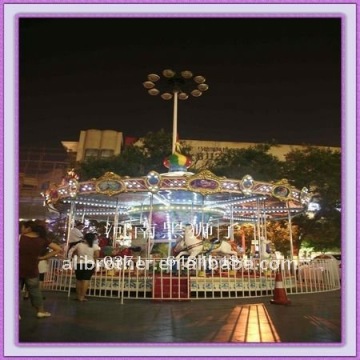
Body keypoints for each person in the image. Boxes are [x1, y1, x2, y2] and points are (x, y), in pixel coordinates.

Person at [19, 220, 62, 318]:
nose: (21, 229)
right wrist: (43, 257)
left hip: (16, 268)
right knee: (35, 291)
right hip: (32, 269)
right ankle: (40, 311)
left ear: (28, 228)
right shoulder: (42, 239)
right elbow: (58, 249)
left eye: (22, 227)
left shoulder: (19, 238)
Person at [68, 233, 100, 302]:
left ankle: (78, 296)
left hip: (79, 263)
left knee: (79, 279)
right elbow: (97, 255)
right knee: (86, 280)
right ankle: (82, 296)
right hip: (89, 264)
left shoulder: (79, 245)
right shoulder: (94, 246)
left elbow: (73, 252)